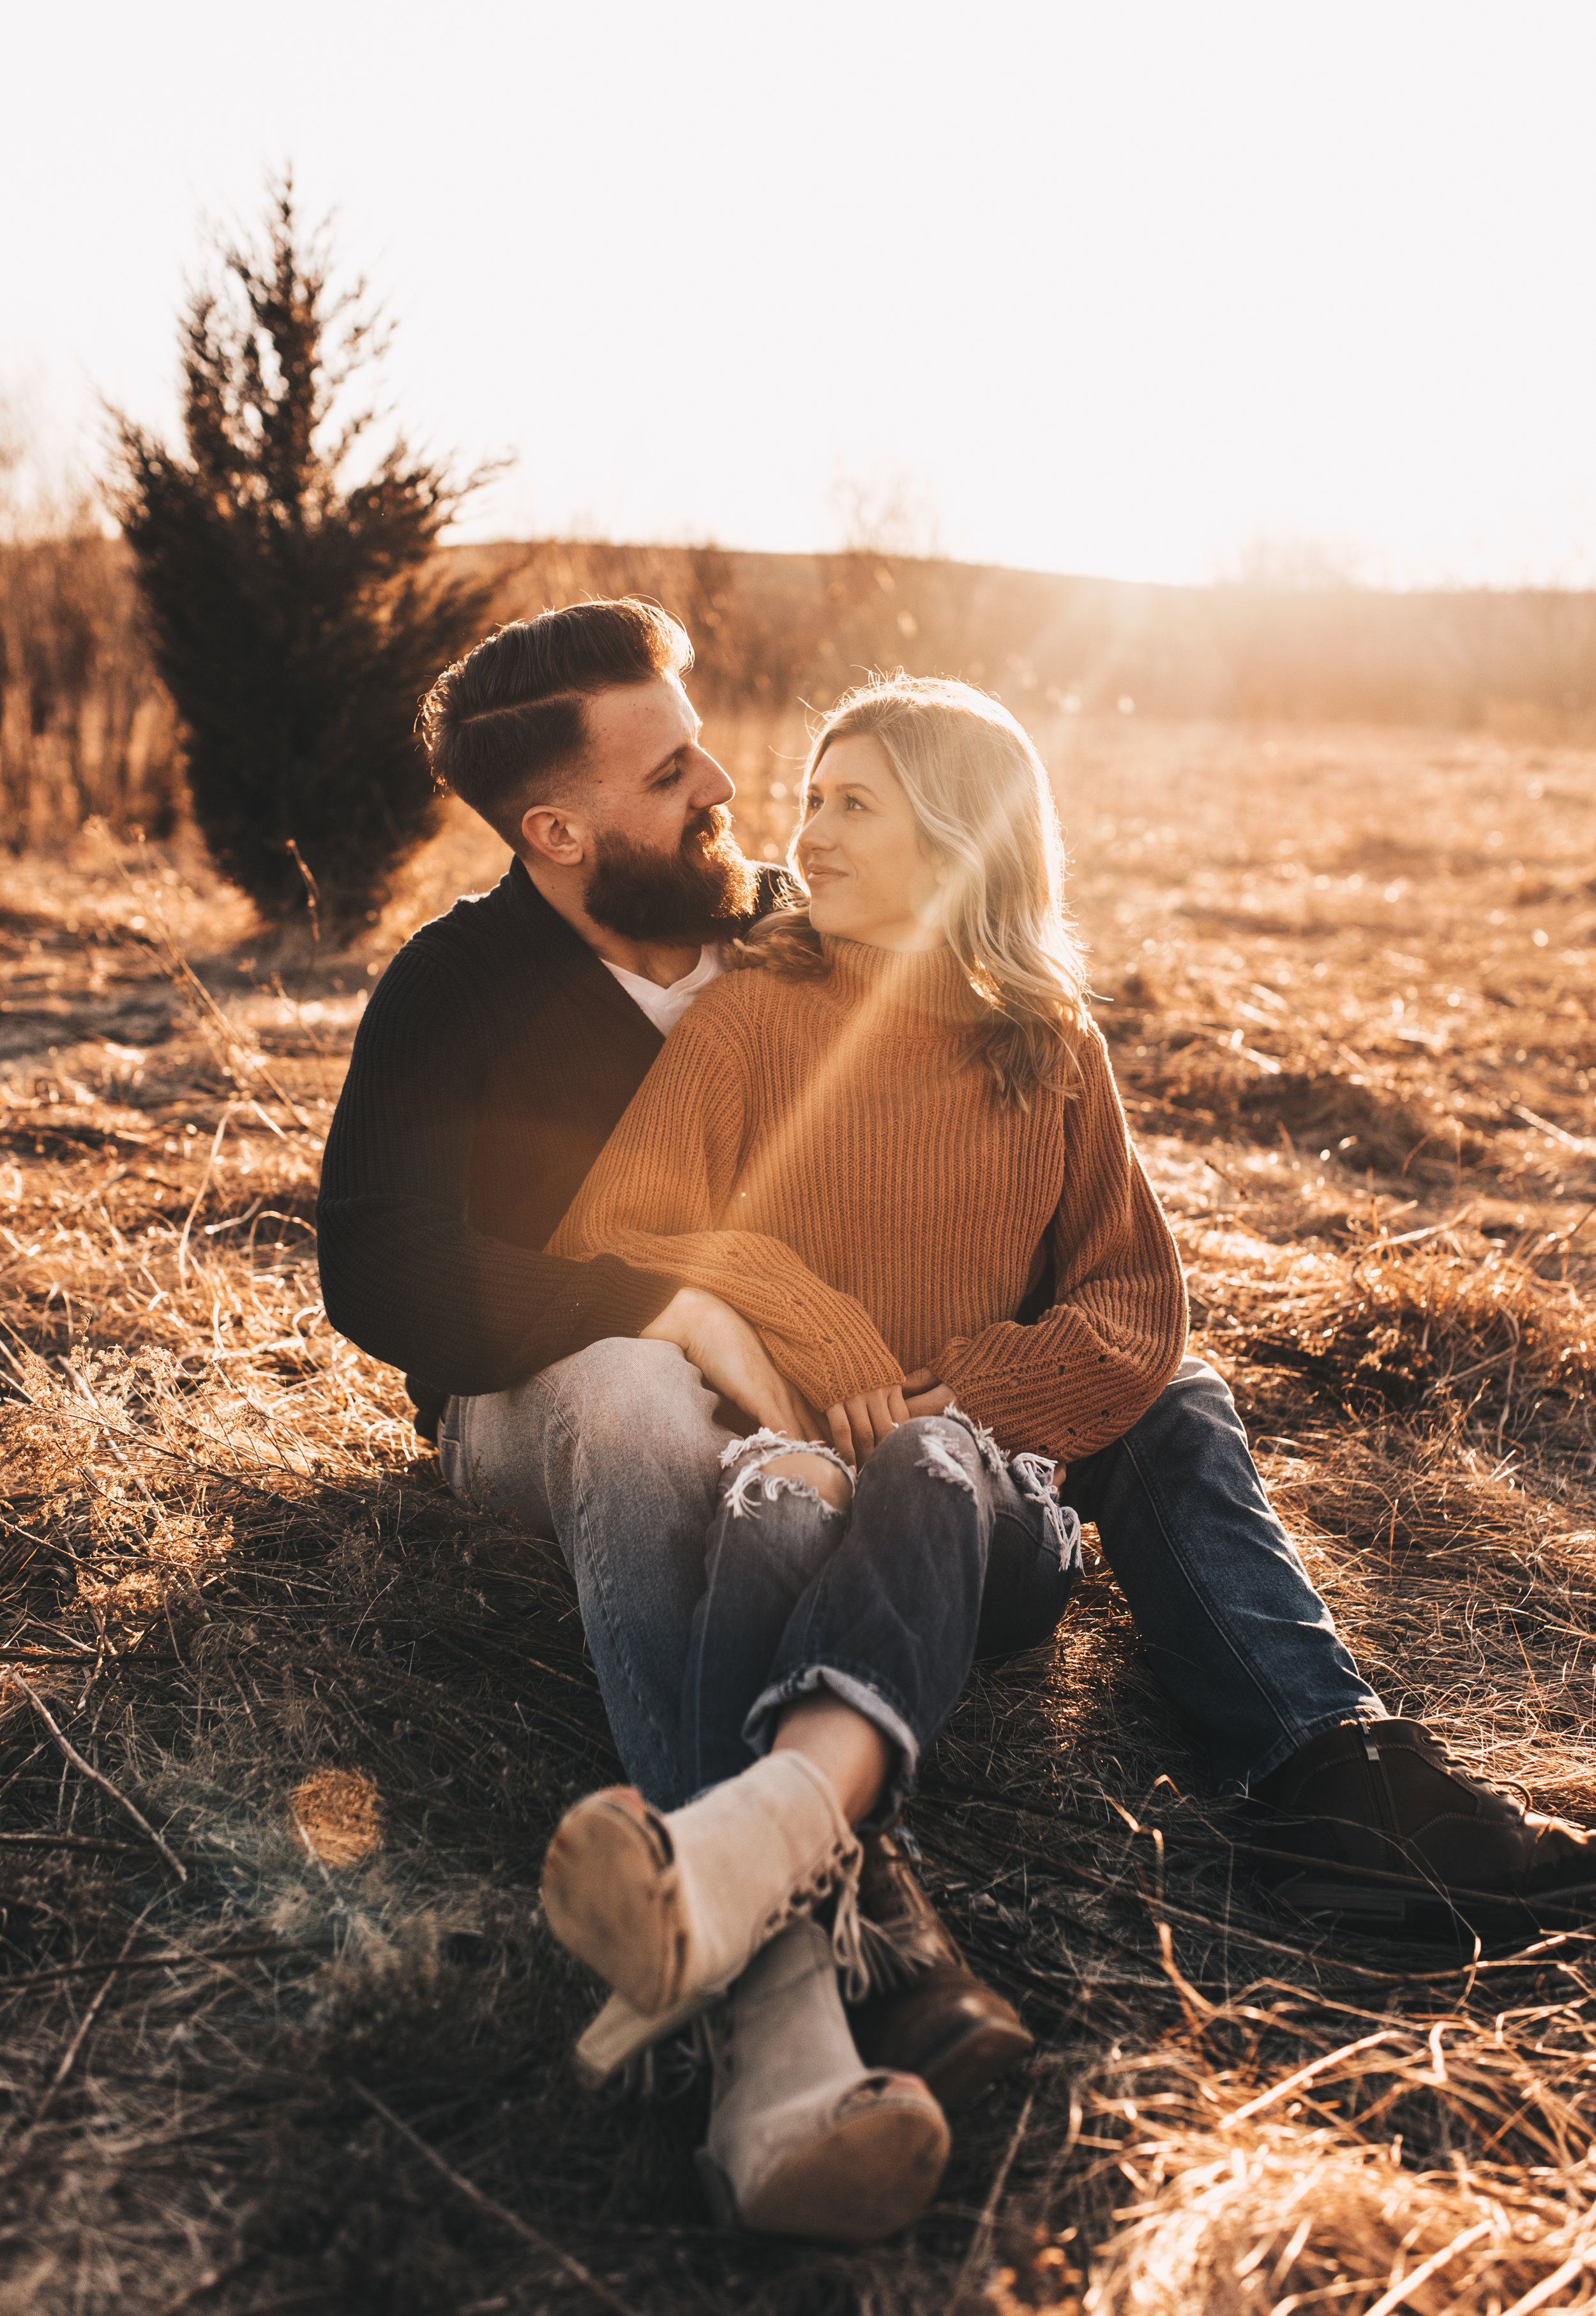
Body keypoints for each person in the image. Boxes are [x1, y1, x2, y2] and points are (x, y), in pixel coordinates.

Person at [318, 604, 1596, 2243]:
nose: (731, 781)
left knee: (1165, 1380)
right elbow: (380, 1263)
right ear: (557, 830)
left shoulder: (789, 932)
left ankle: (1317, 1757)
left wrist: (959, 1381)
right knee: (646, 1389)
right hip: (561, 1395)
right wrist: (699, 1299)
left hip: (877, 1413)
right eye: (670, 768)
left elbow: (1077, 1246)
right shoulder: (461, 985)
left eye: (709, 737)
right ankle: (798, 1956)